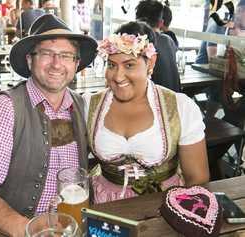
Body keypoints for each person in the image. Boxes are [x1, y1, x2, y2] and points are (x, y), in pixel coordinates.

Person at [0, 14, 97, 236]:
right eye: (46, 54)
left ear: (76, 63)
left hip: (73, 228)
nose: (56, 64)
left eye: (65, 55)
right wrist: (25, 227)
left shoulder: (82, 104)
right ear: (30, 60)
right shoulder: (4, 109)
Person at [85, 21, 209, 204]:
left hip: (164, 205)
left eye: (129, 65)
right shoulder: (90, 105)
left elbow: (197, 179)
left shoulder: (180, 107)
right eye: (111, 65)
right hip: (105, 205)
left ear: (151, 62)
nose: (118, 77)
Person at [135, 0, 181, 92]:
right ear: (161, 23)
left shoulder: (141, 43)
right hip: (174, 98)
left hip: (156, 102)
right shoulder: (169, 40)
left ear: (137, 22)